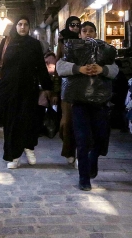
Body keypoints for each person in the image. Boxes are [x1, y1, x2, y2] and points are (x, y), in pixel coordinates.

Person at [0, 17, 52, 169]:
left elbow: (41, 67)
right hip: (8, 89)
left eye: (25, 24)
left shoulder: (34, 44)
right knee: (11, 122)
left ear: (29, 27)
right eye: (20, 24)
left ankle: (28, 147)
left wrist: (48, 88)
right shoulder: (7, 42)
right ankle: (13, 156)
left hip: (29, 88)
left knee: (28, 119)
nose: (22, 27)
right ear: (15, 26)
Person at [57, 21, 118, 191]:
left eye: (91, 31)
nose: (88, 33)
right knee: (82, 140)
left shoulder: (105, 50)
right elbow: (60, 67)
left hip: (100, 103)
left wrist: (102, 69)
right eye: (84, 31)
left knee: (100, 139)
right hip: (80, 103)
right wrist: (79, 69)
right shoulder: (72, 49)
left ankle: (93, 161)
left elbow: (114, 70)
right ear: (80, 34)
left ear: (96, 33)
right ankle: (84, 179)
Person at [56, 17, 81, 165]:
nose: (75, 27)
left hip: (82, 84)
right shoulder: (62, 42)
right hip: (66, 85)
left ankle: (80, 151)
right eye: (72, 25)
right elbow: (58, 63)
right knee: (67, 121)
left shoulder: (84, 42)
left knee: (80, 120)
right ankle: (69, 150)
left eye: (78, 25)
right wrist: (55, 90)